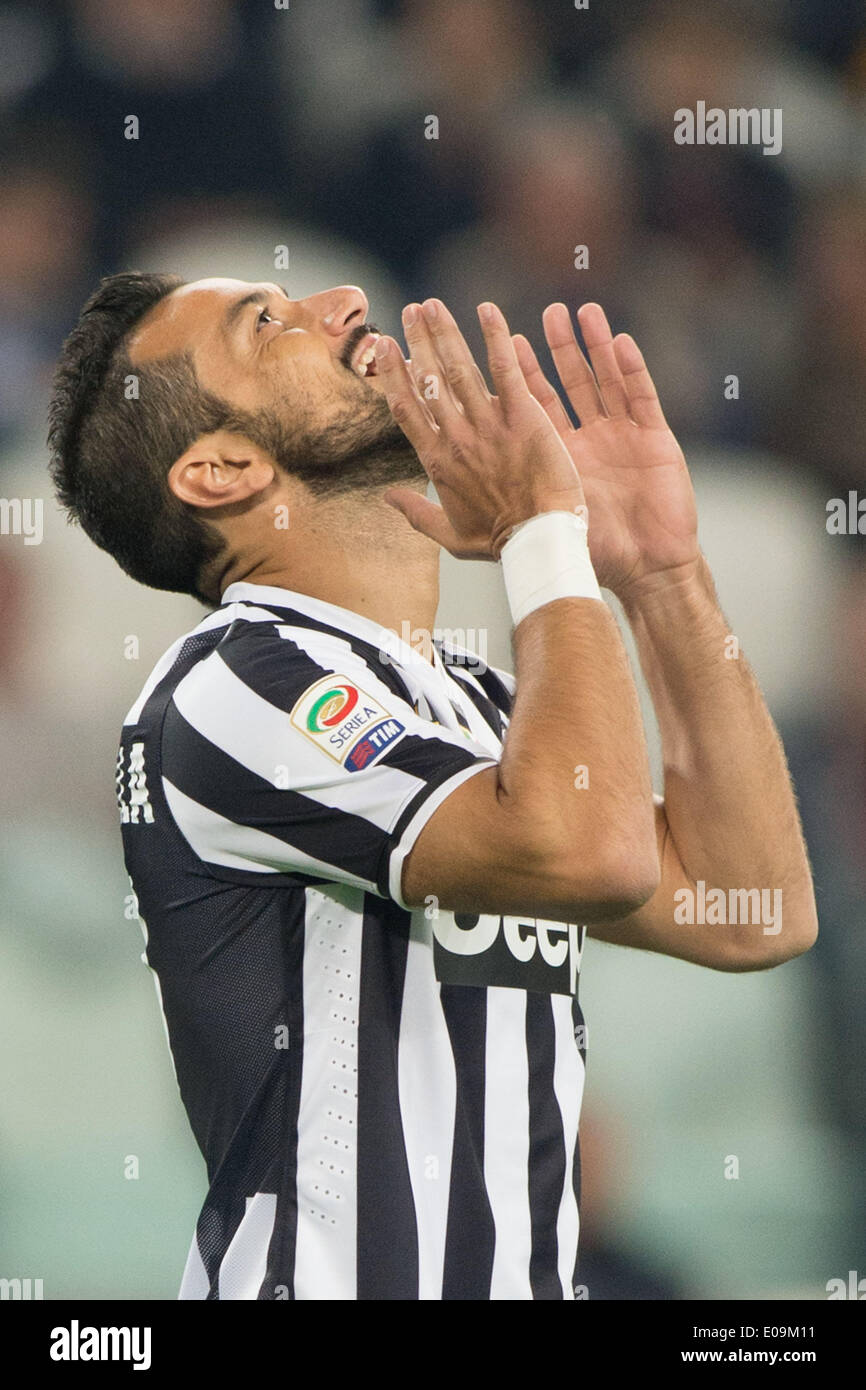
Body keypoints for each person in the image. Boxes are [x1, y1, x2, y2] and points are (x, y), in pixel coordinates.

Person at [47, 274, 818, 1300]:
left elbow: (751, 909)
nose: (341, 300)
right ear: (223, 469)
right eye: (266, 324)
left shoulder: (474, 699)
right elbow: (588, 850)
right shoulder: (231, 683)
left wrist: (661, 574)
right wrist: (543, 533)